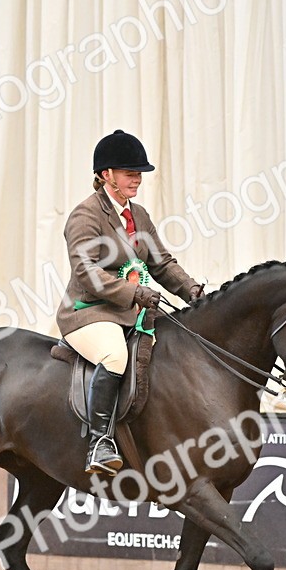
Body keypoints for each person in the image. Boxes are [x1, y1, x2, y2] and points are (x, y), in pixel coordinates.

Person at [56, 130, 204, 476]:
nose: (137, 178)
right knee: (114, 356)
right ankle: (99, 443)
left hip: (128, 313)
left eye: (139, 173)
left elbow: (161, 263)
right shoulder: (85, 217)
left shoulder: (138, 214)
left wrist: (192, 291)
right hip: (88, 313)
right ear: (106, 175)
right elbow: (86, 271)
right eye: (129, 172)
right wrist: (134, 293)